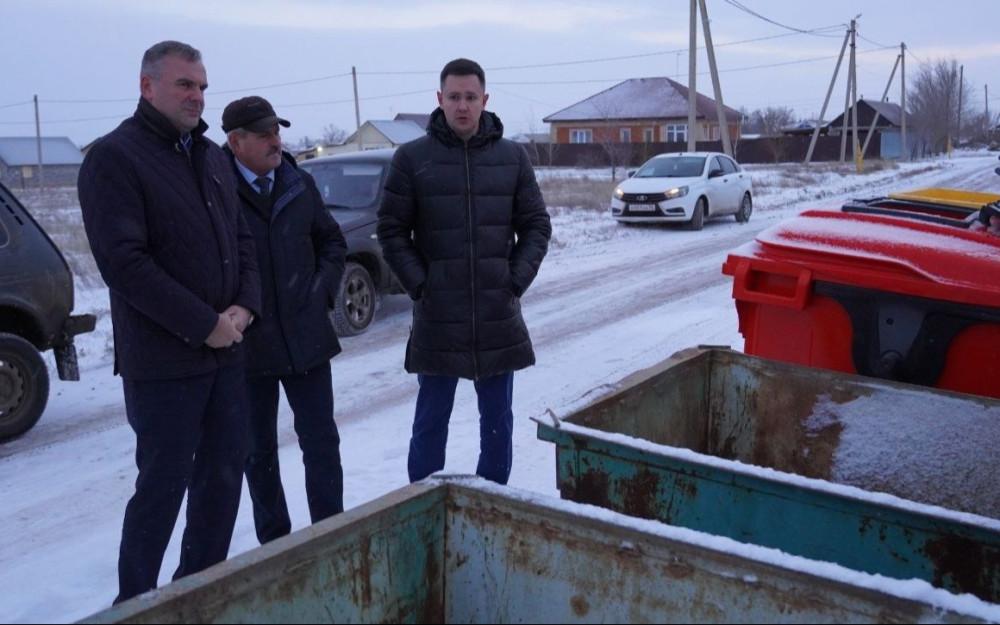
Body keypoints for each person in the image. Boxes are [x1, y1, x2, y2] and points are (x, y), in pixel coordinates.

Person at [77, 41, 261, 603]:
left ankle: (199, 591)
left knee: (224, 479)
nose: (197, 96)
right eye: (185, 84)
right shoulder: (114, 158)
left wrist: (244, 307)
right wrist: (203, 322)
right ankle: (135, 604)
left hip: (226, 351)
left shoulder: (210, 157)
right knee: (162, 486)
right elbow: (124, 264)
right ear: (147, 86)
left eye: (202, 86)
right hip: (163, 361)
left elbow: (242, 240)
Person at [377, 58, 552, 485]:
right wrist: (421, 285)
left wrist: (513, 280)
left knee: (497, 423)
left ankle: (491, 503)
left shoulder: (511, 158)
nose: (462, 106)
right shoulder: (412, 158)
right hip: (439, 315)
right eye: (453, 97)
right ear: (439, 99)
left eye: (470, 97)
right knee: (430, 423)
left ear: (484, 100)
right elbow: (392, 230)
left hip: (497, 313)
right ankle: (422, 503)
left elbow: (536, 225)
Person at [222, 96, 348, 544]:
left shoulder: (298, 182)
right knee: (257, 453)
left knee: (321, 443)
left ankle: (330, 532)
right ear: (236, 143)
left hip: (306, 336)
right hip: (247, 346)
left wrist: (320, 290)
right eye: (264, 134)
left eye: (278, 131)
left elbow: (332, 243)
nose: (276, 141)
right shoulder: (214, 189)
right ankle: (275, 544)